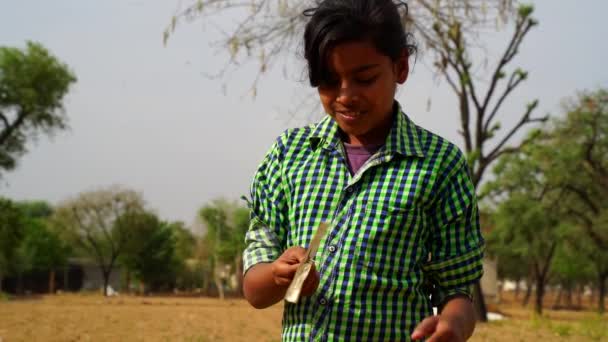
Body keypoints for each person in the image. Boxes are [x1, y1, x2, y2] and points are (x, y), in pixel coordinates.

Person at [242, 0, 484, 340]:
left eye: (364, 78)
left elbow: (457, 291)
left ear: (400, 67)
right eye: (328, 81)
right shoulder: (289, 155)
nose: (346, 96)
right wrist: (277, 275)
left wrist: (453, 326)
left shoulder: (439, 165)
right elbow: (254, 290)